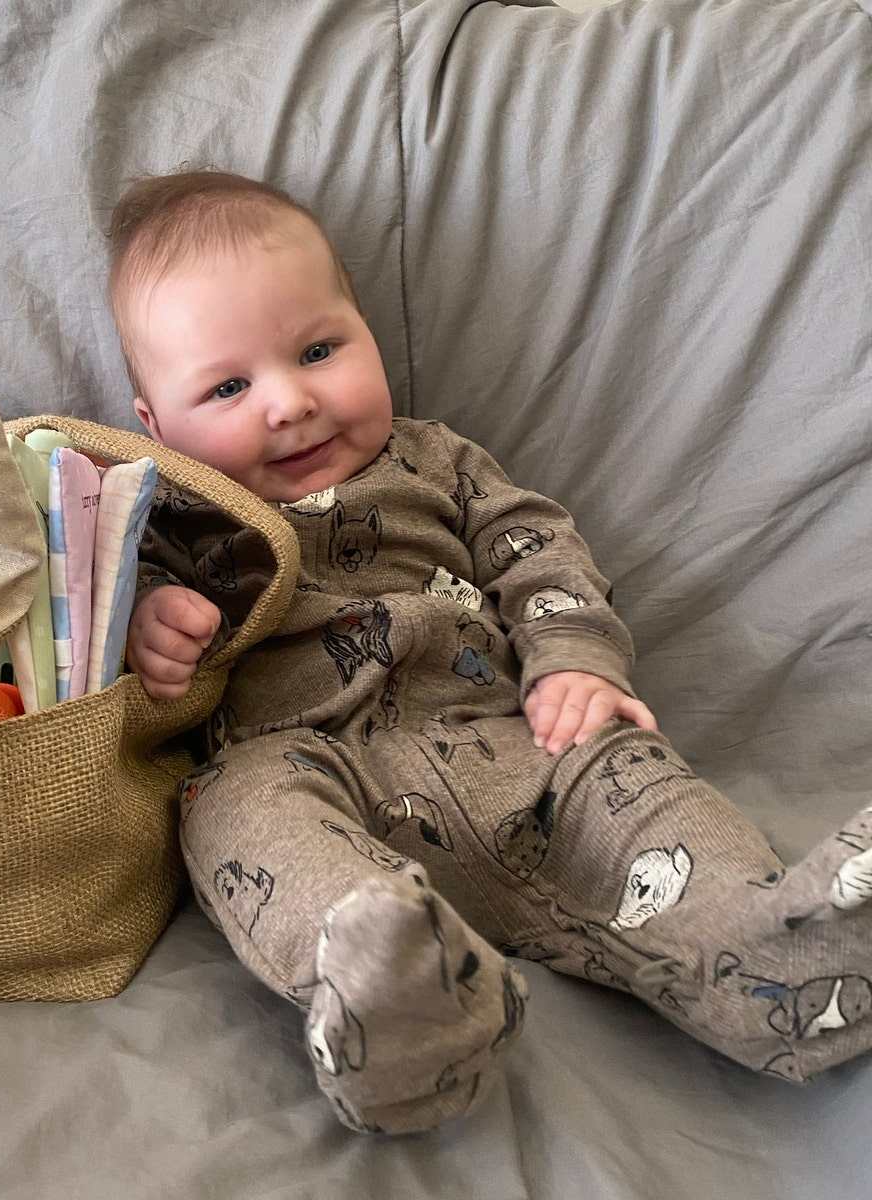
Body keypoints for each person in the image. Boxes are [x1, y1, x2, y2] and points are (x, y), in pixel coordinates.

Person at [109, 169, 872, 1135]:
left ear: (369, 334)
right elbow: (103, 645)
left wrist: (574, 659)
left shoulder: (437, 460)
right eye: (228, 385)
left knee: (622, 769)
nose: (290, 403)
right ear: (154, 424)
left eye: (317, 349)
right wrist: (147, 626)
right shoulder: (173, 519)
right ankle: (393, 998)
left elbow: (538, 551)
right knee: (227, 813)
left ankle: (785, 947)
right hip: (307, 768)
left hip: (512, 737)